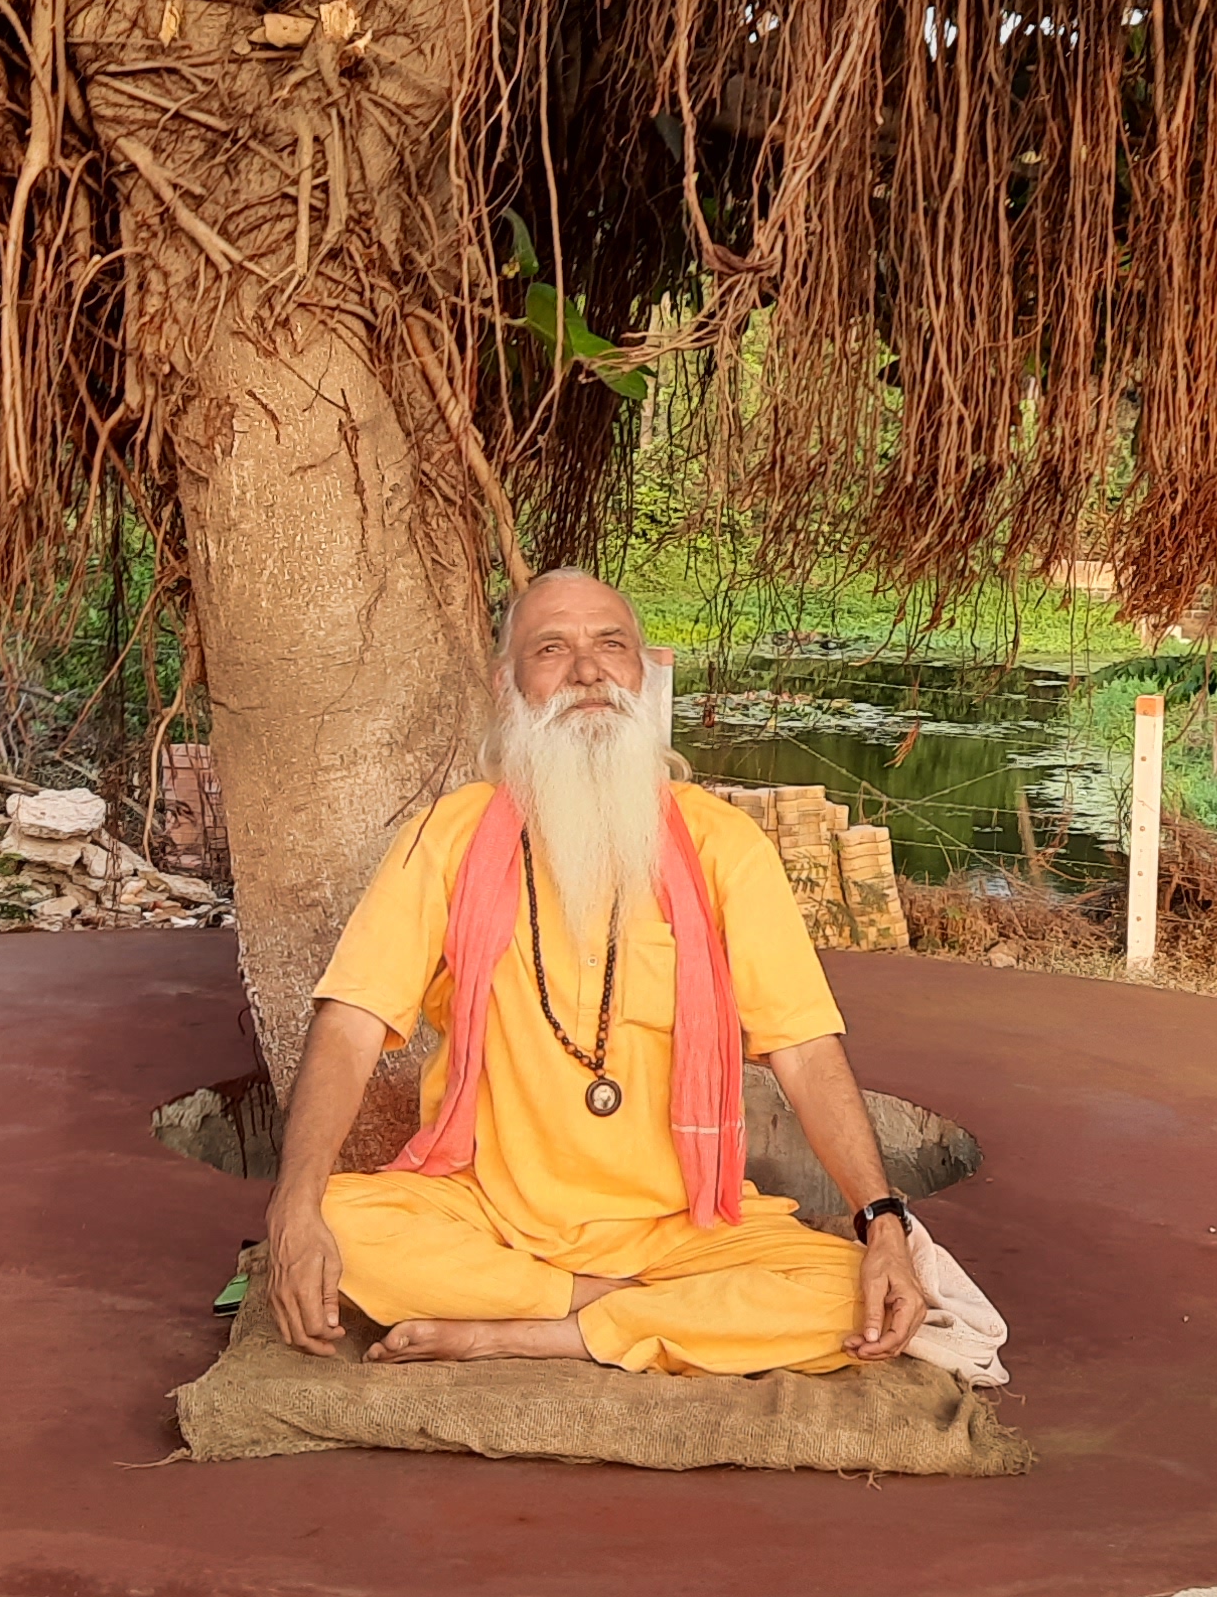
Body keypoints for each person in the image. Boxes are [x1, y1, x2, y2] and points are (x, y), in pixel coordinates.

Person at [261, 569, 923, 1372]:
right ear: (508, 685)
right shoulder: (449, 835)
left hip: (684, 1230)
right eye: (551, 650)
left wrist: (882, 1223)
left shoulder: (724, 845)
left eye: (611, 645)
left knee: (848, 1291)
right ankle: (624, 1312)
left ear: (642, 674)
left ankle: (526, 1328)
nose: (586, 671)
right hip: (492, 1212)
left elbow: (806, 1050)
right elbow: (350, 1022)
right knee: (342, 1221)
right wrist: (294, 1206)